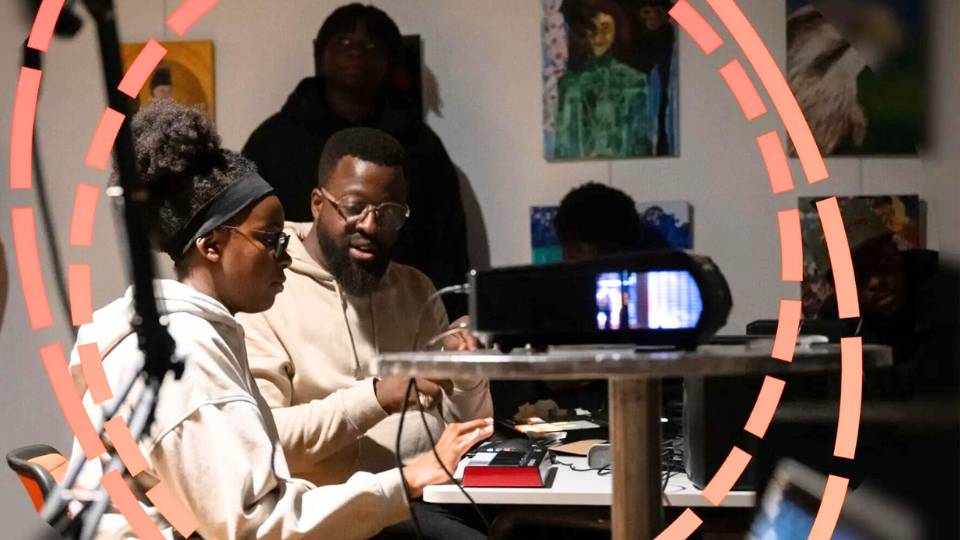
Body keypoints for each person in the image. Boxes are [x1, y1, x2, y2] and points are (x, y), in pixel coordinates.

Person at [66, 101, 492, 539]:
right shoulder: (185, 357)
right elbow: (256, 526)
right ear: (211, 246)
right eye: (271, 240)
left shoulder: (186, 333)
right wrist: (406, 480)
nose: (285, 258)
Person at [237, 127, 492, 539]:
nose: (371, 226)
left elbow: (471, 431)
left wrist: (468, 376)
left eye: (390, 214)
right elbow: (266, 439)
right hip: (333, 511)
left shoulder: (416, 289)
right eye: (355, 208)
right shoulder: (268, 292)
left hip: (433, 496)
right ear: (318, 203)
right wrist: (376, 396)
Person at [243, 4, 469, 307]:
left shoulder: (421, 146)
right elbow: (247, 231)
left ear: (389, 59)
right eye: (344, 42)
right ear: (321, 53)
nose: (355, 51)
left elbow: (447, 245)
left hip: (399, 304)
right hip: (292, 298)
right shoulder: (274, 140)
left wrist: (450, 315)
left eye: (370, 44)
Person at [554, 0, 653, 158]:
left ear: (617, 29)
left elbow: (639, 143)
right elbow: (562, 146)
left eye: (606, 28)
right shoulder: (569, 84)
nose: (598, 37)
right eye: (592, 28)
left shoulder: (634, 80)